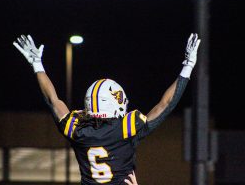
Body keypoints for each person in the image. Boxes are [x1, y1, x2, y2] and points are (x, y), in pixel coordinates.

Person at [13, 33, 200, 185]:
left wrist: (37, 65)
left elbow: (53, 100)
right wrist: (188, 66)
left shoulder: (77, 129)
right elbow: (165, 105)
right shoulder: (126, 128)